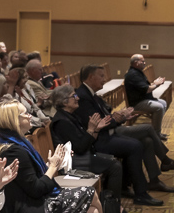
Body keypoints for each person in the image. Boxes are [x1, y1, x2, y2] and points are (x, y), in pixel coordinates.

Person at [0, 99, 130, 213]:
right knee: (88, 192)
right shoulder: (13, 151)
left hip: (35, 204)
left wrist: (56, 163)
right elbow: (36, 189)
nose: (30, 116)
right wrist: (53, 167)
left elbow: (34, 180)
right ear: (14, 120)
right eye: (26, 114)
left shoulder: (18, 144)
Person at [74, 64, 174, 201]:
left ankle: (151, 182)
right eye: (101, 76)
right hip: (98, 140)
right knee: (137, 143)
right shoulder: (83, 96)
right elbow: (97, 123)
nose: (104, 79)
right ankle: (142, 191)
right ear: (91, 77)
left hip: (107, 133)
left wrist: (120, 116)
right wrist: (118, 119)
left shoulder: (91, 94)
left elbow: (105, 116)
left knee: (147, 141)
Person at [50, 85, 135, 213]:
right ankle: (113, 210)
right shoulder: (62, 122)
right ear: (64, 102)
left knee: (112, 162)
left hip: (81, 156)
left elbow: (86, 142)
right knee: (114, 166)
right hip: (73, 162)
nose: (77, 98)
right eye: (74, 96)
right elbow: (80, 147)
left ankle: (111, 207)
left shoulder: (70, 116)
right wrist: (91, 129)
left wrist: (95, 130)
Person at [124, 54, 167, 140]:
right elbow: (147, 90)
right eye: (142, 61)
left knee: (163, 102)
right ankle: (156, 135)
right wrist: (156, 85)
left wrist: (154, 83)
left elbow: (144, 87)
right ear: (136, 63)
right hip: (137, 103)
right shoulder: (133, 75)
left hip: (143, 99)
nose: (145, 63)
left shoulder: (138, 72)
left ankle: (155, 132)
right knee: (159, 107)